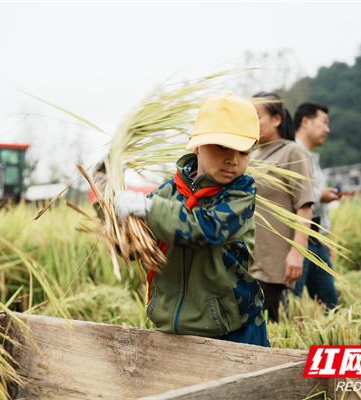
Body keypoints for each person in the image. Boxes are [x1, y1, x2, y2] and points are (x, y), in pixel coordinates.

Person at [113, 94, 269, 346]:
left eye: (243, 151)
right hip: (172, 330)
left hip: (232, 329)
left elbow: (204, 228)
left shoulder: (240, 194)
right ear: (196, 145)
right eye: (221, 147)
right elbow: (139, 248)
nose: (233, 159)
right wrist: (121, 229)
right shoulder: (167, 193)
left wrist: (147, 207)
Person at [249, 93, 314, 323]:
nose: (250, 122)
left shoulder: (291, 152)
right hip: (251, 259)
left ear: (276, 119)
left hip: (277, 263)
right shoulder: (251, 157)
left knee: (275, 328)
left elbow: (304, 206)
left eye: (256, 116)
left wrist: (297, 253)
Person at [292, 102, 339, 309]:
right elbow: (292, 197)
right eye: (324, 122)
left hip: (316, 239)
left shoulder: (312, 158)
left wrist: (324, 239)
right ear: (305, 121)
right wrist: (320, 196)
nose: (327, 129)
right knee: (290, 303)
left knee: (330, 302)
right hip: (297, 239)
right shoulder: (291, 154)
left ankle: (332, 338)